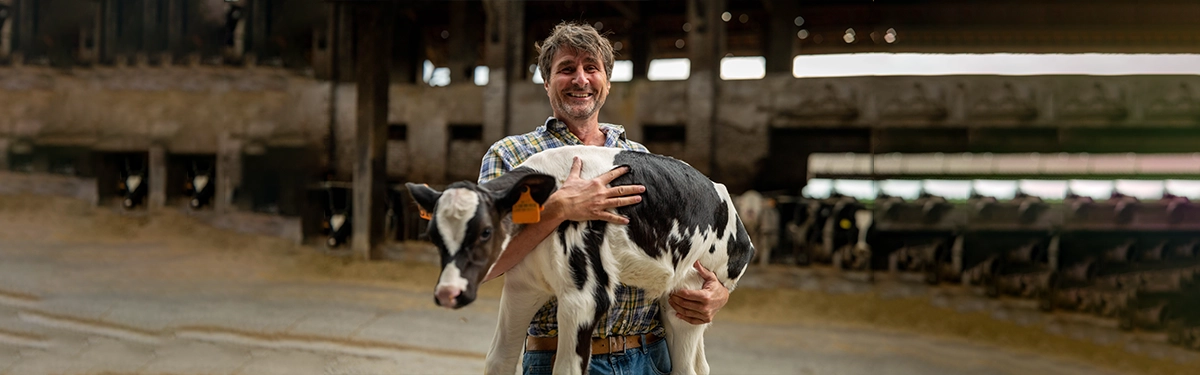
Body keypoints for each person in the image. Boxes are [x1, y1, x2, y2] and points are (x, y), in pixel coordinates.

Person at [477, 22, 729, 375]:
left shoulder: (642, 159)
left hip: (650, 356)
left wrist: (717, 292)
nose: (580, 79)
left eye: (591, 68)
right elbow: (485, 263)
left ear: (607, 84)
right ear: (546, 82)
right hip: (558, 359)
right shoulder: (512, 157)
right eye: (566, 69)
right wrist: (558, 209)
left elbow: (684, 252)